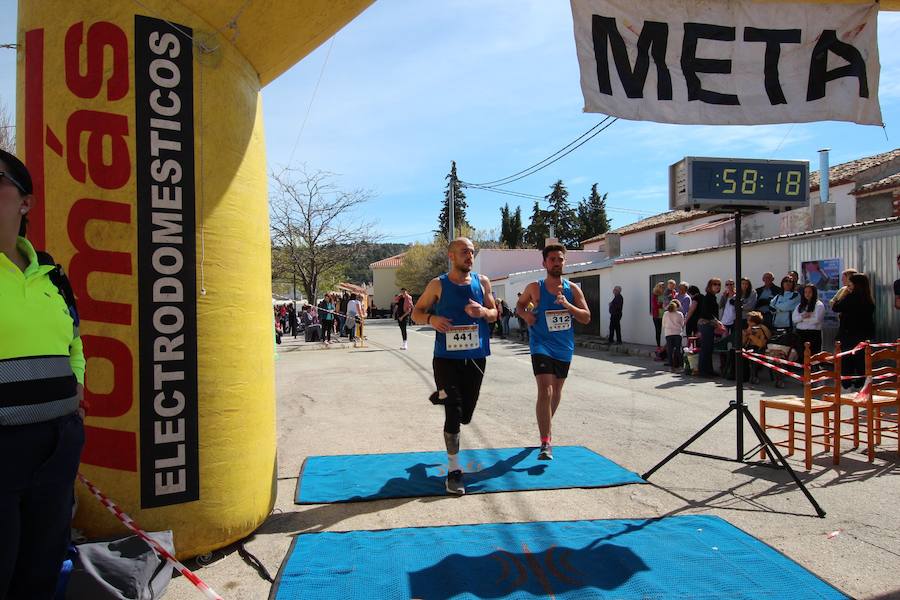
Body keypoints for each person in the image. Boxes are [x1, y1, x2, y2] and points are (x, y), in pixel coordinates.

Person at [0, 149, 87, 599]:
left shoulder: (53, 273)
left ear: (25, 203)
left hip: (57, 445)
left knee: (42, 568)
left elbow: (74, 338)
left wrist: (77, 386)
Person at [412, 238, 498, 495]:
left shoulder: (482, 282)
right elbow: (415, 312)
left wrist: (483, 311)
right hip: (446, 358)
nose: (469, 256)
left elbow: (495, 313)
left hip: (475, 357)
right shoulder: (438, 284)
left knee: (466, 415)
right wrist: (431, 318)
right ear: (451, 256)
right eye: (464, 252)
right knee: (454, 411)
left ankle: (443, 394)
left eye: (472, 252)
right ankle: (453, 471)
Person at [516, 244, 591, 460]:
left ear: (564, 262)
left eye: (560, 259)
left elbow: (586, 317)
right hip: (540, 344)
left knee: (556, 392)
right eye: (552, 259)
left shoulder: (573, 289)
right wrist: (526, 316)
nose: (556, 262)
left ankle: (545, 427)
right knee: (545, 390)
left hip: (564, 346)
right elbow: (519, 307)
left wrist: (568, 305)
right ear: (544, 263)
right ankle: (546, 442)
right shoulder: (535, 288)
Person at [831, 273, 876, 390]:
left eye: (850, 284)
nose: (848, 287)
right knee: (861, 362)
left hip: (848, 335)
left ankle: (846, 385)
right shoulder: (868, 299)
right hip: (863, 335)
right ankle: (862, 384)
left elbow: (836, 307)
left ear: (856, 285)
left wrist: (843, 295)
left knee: (847, 361)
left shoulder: (851, 297)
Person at [696, 278, 722, 377]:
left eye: (719, 284)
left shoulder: (713, 297)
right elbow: (706, 313)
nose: (717, 286)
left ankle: (709, 370)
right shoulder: (708, 297)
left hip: (709, 325)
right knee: (706, 348)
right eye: (715, 284)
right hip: (706, 325)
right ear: (710, 286)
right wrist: (716, 320)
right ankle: (703, 371)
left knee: (709, 348)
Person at [793, 284, 825, 355]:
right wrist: (803, 317)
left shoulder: (819, 305)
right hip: (800, 333)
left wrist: (801, 319)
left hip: (813, 334)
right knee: (801, 354)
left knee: (813, 355)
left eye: (809, 292)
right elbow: (794, 319)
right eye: (805, 292)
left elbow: (816, 320)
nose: (807, 294)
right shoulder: (800, 305)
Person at [742, 311, 772, 384]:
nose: (747, 322)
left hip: (760, 349)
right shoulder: (750, 327)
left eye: (749, 320)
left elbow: (761, 344)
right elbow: (743, 343)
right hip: (749, 347)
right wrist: (745, 335)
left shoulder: (762, 329)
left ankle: (754, 376)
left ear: (754, 321)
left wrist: (751, 336)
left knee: (752, 355)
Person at [662, 300, 685, 371]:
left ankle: (671, 367)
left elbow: (663, 324)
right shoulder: (680, 314)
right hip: (677, 333)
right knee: (678, 350)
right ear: (678, 306)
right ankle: (681, 366)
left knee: (670, 350)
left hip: (668, 333)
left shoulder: (666, 313)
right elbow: (682, 324)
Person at [650, 282, 665, 353]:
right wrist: (662, 304)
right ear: (658, 287)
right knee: (658, 331)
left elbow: (664, 303)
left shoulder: (664, 295)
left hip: (664, 315)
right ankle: (658, 346)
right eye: (661, 287)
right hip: (657, 316)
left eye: (663, 287)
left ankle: (666, 346)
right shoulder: (654, 295)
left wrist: (661, 304)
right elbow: (655, 305)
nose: (663, 288)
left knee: (667, 331)